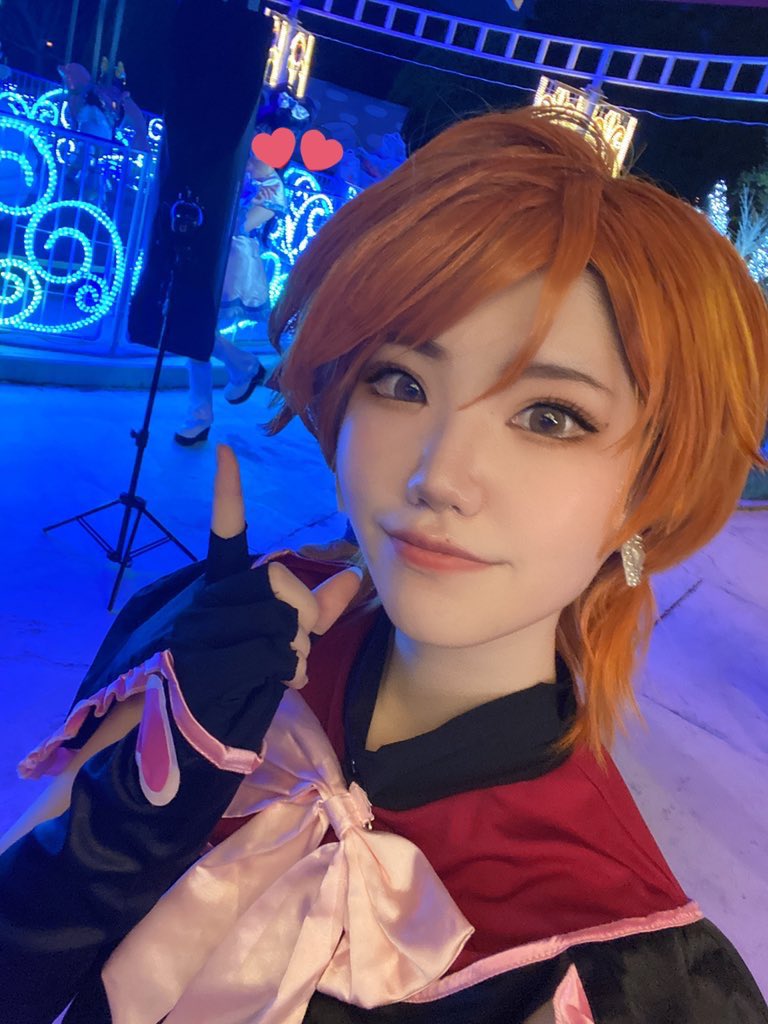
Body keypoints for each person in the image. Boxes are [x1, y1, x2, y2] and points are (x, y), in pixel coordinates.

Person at [2, 105, 768, 1023]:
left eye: (550, 417)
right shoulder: (211, 643)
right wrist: (136, 812)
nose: (439, 475)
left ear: (652, 487)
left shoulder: (631, 971)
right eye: (401, 381)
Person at [174, 147, 286, 445]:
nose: (250, 159)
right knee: (195, 332)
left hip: (231, 264)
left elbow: (239, 224)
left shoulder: (271, 187)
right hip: (208, 257)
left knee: (196, 332)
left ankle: (203, 412)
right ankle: (242, 369)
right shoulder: (240, 172)